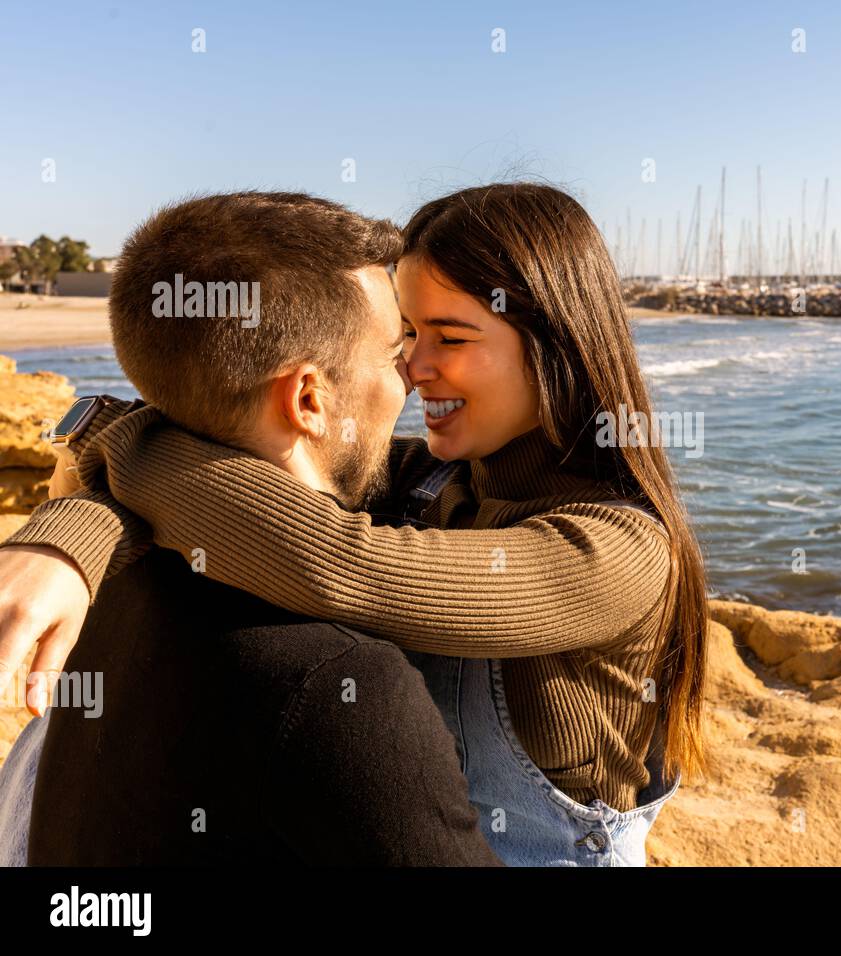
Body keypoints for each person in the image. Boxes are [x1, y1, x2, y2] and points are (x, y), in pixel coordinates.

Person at [0, 183, 713, 866]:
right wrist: (69, 538)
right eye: (406, 334)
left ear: (555, 348)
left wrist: (95, 477)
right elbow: (227, 437)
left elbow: (344, 568)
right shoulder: (433, 477)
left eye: (450, 338)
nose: (414, 367)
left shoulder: (619, 551)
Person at [0, 192, 502, 865]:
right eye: (393, 352)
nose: (412, 374)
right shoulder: (343, 687)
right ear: (307, 399)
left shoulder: (105, 581)